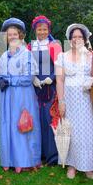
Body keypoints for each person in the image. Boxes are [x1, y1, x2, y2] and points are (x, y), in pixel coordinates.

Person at [54, 24, 93, 180]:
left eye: (80, 37)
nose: (76, 39)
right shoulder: (62, 57)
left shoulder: (92, 56)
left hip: (87, 101)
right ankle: (72, 165)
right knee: (71, 131)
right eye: (74, 37)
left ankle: (88, 166)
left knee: (87, 132)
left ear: (85, 39)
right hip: (70, 101)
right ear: (70, 39)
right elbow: (59, 80)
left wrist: (92, 79)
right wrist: (61, 101)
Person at [0, 18, 41, 173]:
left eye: (15, 34)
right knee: (7, 124)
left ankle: (24, 160)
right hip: (6, 96)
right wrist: (0, 80)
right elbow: (0, 75)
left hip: (22, 95)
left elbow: (28, 78)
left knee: (21, 124)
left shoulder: (27, 54)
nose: (12, 37)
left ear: (21, 35)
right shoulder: (3, 56)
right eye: (9, 35)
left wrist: (8, 80)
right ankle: (9, 159)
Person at [28, 15, 62, 165]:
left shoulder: (54, 45)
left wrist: (52, 77)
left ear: (48, 30)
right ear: (35, 30)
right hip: (35, 87)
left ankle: (52, 155)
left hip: (50, 86)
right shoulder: (30, 46)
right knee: (37, 118)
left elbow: (61, 66)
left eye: (44, 29)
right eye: (39, 29)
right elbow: (26, 64)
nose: (42, 32)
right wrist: (32, 78)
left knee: (49, 118)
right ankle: (39, 153)